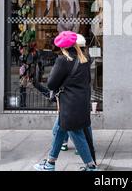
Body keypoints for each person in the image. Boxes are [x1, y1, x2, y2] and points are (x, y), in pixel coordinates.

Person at [34, 31, 97, 171]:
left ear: (63, 47)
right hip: (81, 103)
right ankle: (50, 162)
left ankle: (91, 166)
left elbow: (51, 84)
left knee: (77, 134)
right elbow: (87, 81)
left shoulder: (63, 60)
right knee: (59, 130)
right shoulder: (85, 59)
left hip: (69, 105)